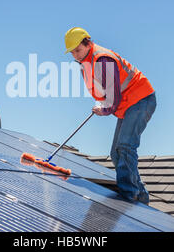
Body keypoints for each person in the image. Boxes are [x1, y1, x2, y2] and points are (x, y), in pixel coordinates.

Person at [64, 27, 157, 204]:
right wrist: (103, 103)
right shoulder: (87, 61)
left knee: (125, 146)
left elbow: (113, 97)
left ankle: (129, 196)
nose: (75, 55)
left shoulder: (102, 59)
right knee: (116, 153)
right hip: (129, 104)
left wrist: (105, 109)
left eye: (78, 50)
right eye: (72, 52)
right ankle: (140, 194)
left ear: (88, 43)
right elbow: (107, 92)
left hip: (141, 99)